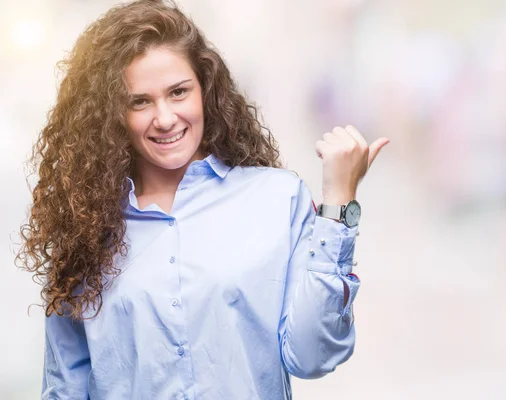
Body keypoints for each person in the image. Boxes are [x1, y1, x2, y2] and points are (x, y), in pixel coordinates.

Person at [17, 1, 389, 399]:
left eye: (178, 92)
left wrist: (338, 202)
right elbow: (65, 389)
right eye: (139, 101)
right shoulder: (85, 229)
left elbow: (313, 356)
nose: (164, 118)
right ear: (111, 115)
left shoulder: (276, 199)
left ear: (205, 90)